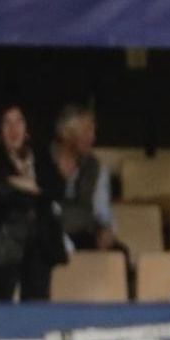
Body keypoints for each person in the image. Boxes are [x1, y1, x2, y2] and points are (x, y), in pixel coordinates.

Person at [0, 105, 67, 302]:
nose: (13, 128)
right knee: (1, 303)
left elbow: (58, 188)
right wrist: (40, 190)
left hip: (40, 241)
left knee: (37, 303)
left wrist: (31, 186)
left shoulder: (41, 156)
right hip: (4, 242)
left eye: (19, 121)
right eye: (7, 123)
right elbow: (1, 193)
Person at [39, 104, 117, 252]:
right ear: (66, 133)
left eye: (93, 131)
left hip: (82, 234)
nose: (93, 137)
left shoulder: (95, 168)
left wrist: (106, 229)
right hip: (46, 235)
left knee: (119, 253)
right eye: (87, 130)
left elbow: (102, 211)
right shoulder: (40, 161)